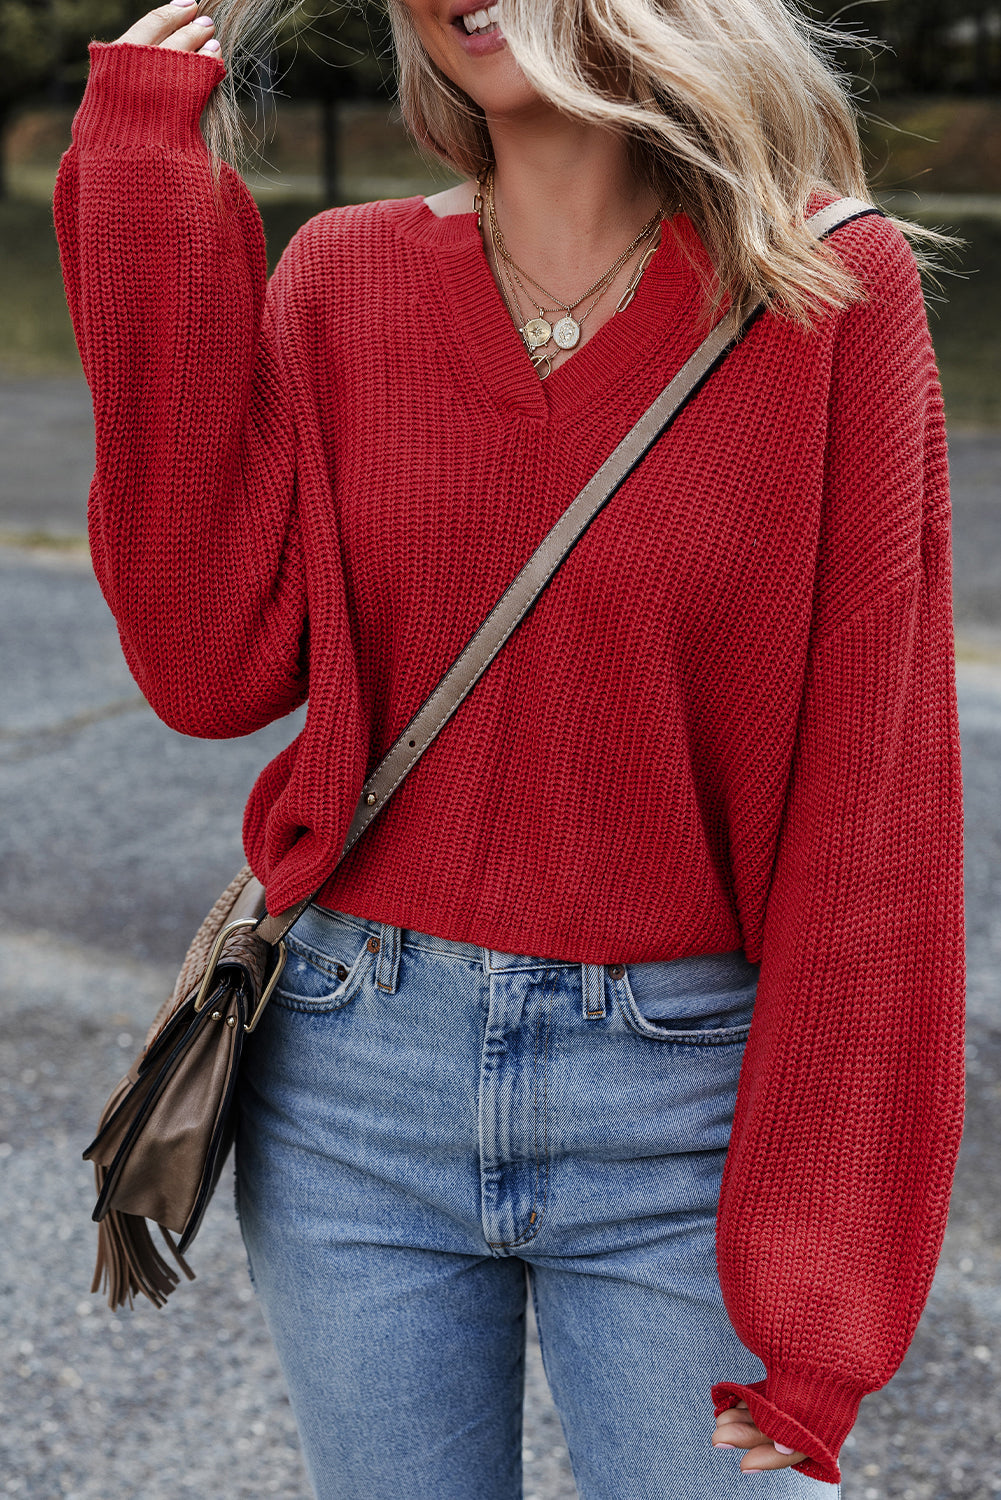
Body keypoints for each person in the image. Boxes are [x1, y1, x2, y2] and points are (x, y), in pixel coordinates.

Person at [53, 0, 966, 1494]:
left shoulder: (825, 288)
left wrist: (822, 1292)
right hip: (352, 1074)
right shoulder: (343, 278)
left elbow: (872, 813)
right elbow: (212, 666)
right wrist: (150, 193)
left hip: (680, 1104)